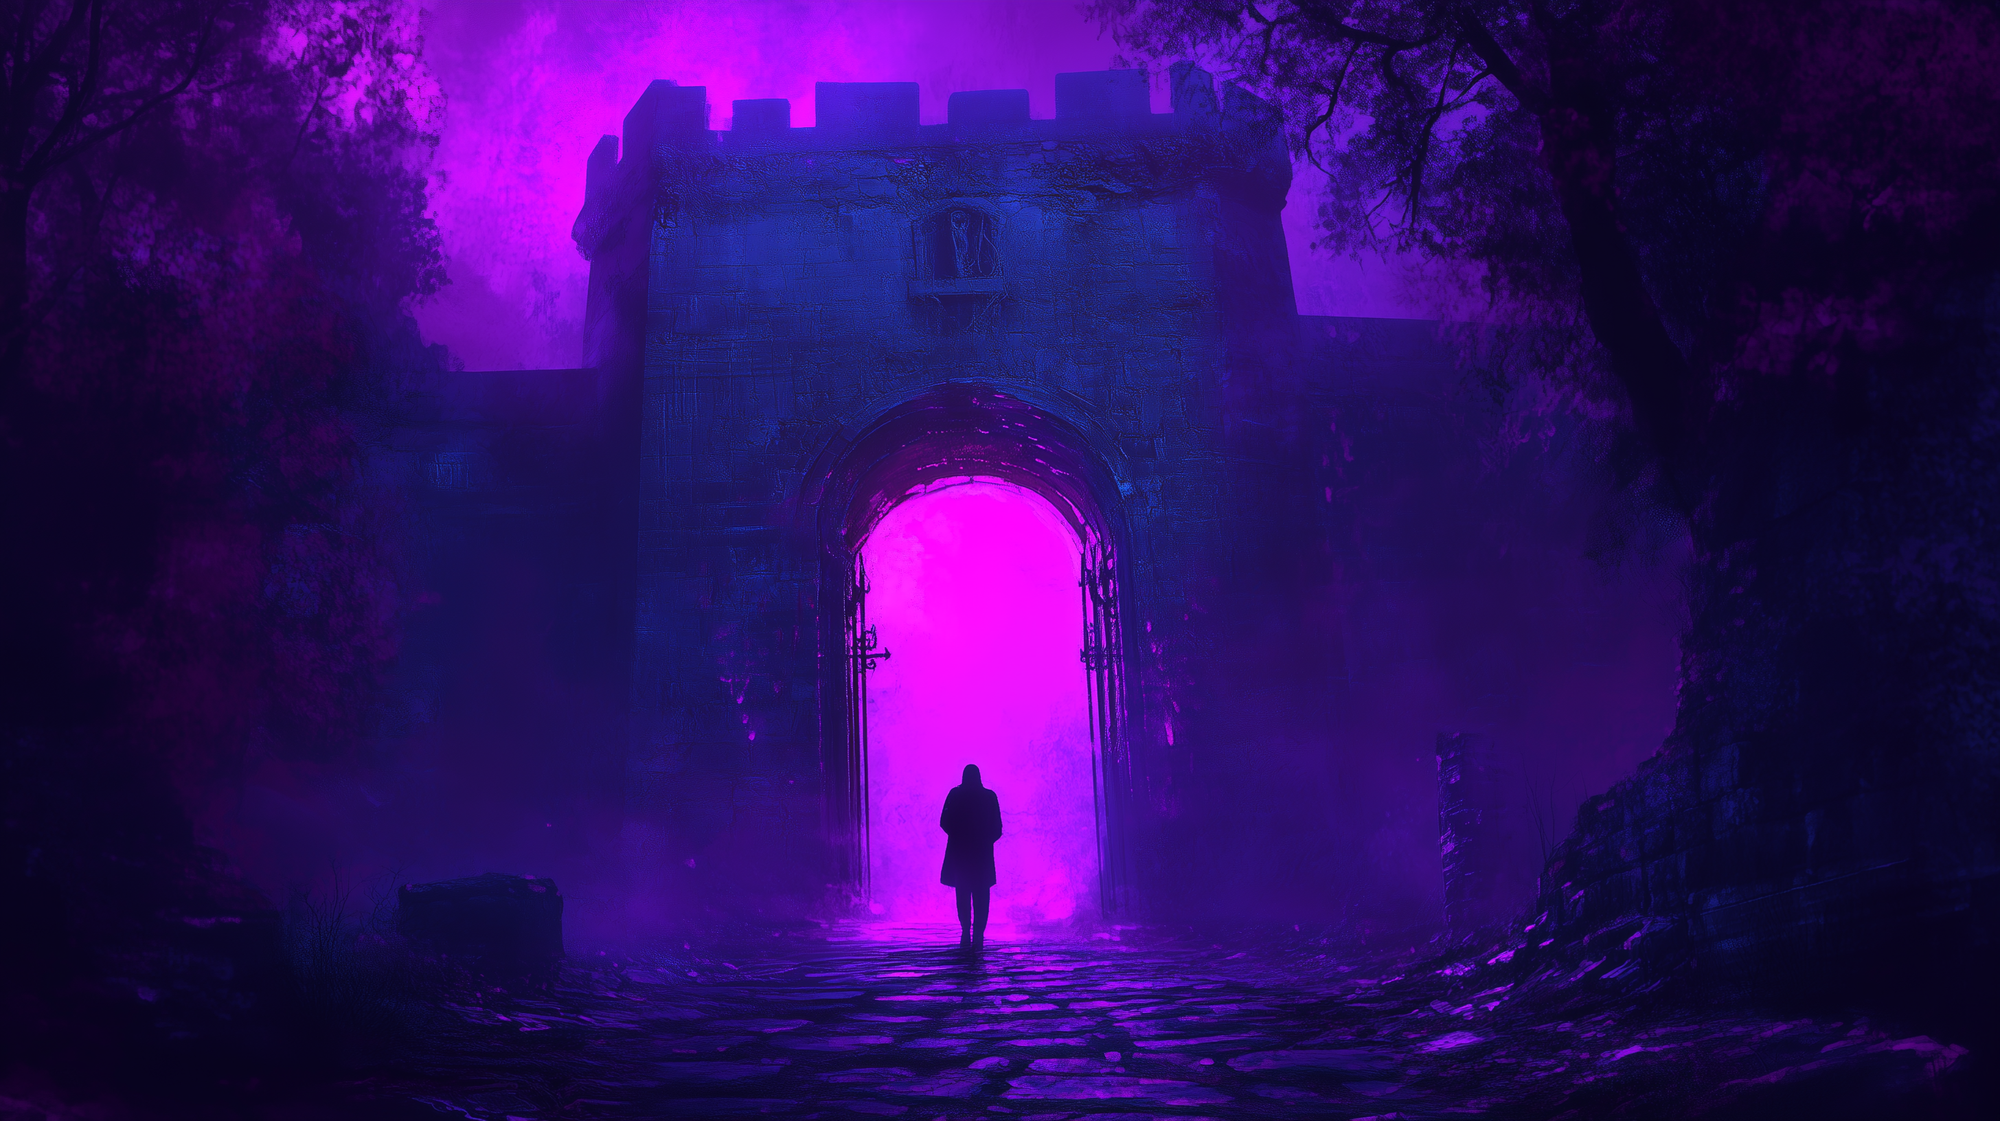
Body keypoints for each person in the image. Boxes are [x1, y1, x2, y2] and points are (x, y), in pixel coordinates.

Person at [939, 763, 1002, 948]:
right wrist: (985, 840)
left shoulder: (955, 795)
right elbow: (997, 827)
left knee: (963, 893)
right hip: (982, 855)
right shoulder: (989, 797)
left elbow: (944, 821)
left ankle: (965, 931)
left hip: (960, 854)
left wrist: (959, 836)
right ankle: (979, 933)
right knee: (982, 895)